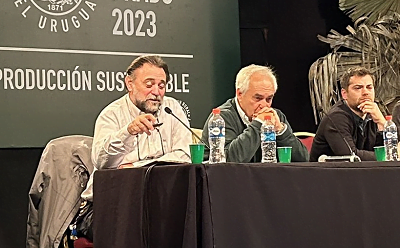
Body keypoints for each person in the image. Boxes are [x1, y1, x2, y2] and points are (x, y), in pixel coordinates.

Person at [83, 55, 192, 198]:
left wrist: (136, 167)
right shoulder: (111, 114)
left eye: (161, 85)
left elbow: (185, 155)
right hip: (115, 199)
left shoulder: (172, 108)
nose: (156, 92)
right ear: (129, 84)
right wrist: (128, 132)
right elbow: (102, 162)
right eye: (149, 85)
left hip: (160, 195)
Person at [204, 64, 308, 162]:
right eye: (258, 98)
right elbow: (229, 161)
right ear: (240, 94)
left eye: (269, 99)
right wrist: (258, 124)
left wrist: (280, 131)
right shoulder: (222, 117)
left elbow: (304, 159)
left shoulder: (276, 116)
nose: (264, 105)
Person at [309, 67, 400, 161]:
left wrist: (382, 123)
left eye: (369, 87)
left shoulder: (373, 113)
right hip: (327, 175)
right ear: (344, 94)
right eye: (358, 88)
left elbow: (379, 148)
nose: (365, 92)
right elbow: (351, 156)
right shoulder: (336, 117)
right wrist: (388, 155)